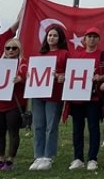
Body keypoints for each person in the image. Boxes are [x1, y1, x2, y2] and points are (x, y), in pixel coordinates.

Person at [28, 24, 69, 171]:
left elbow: (69, 73)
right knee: (38, 125)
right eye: (50, 35)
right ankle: (38, 155)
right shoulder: (40, 55)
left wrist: (61, 76)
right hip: (38, 93)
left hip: (54, 94)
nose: (52, 38)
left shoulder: (64, 54)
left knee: (51, 126)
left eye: (55, 35)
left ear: (60, 38)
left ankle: (48, 156)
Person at [66, 26, 104, 170]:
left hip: (94, 98)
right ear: (84, 39)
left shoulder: (103, 55)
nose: (92, 39)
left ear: (99, 39)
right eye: (89, 36)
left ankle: (92, 158)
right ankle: (78, 158)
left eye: (95, 37)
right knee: (77, 128)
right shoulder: (77, 56)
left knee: (93, 127)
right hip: (78, 97)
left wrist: (101, 77)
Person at [0, 39, 26, 171]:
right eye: (8, 48)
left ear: (19, 50)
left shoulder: (22, 63)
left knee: (13, 131)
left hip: (15, 102)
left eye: (14, 48)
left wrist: (21, 78)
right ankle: (0, 159)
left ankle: (10, 161)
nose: (10, 50)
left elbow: (27, 75)